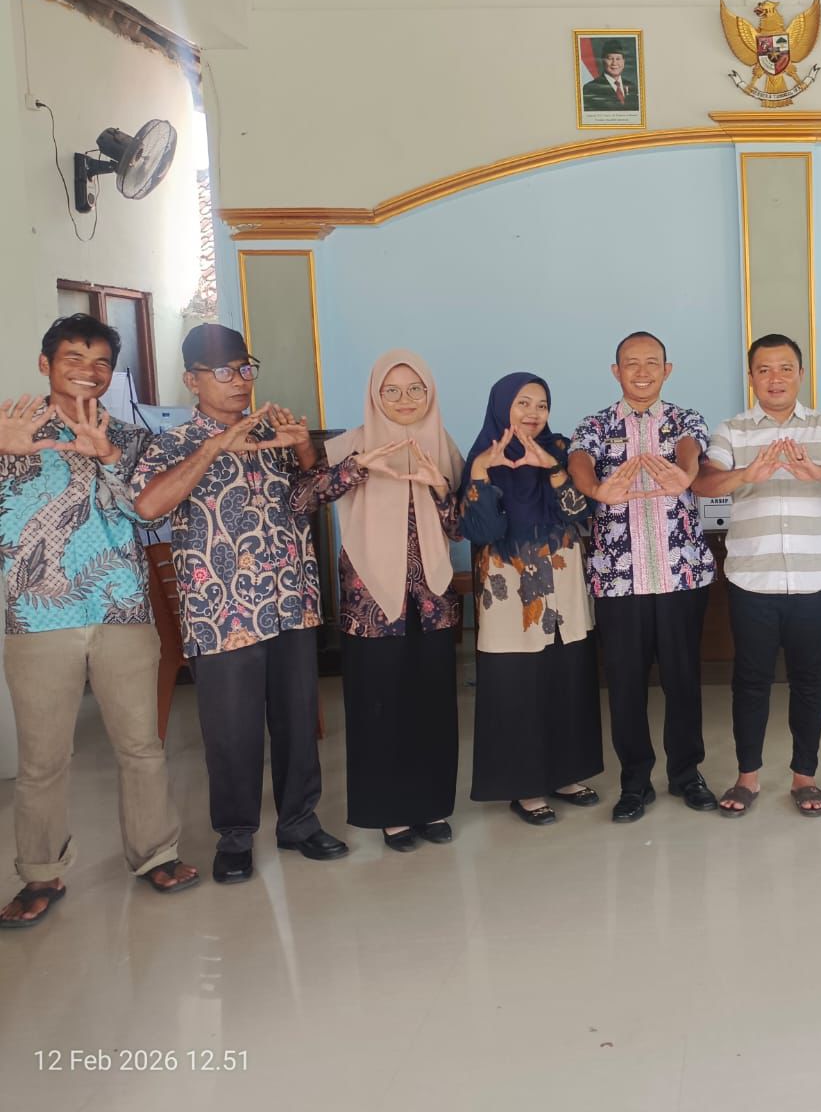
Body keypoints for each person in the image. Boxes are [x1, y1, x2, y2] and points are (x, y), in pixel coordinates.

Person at [132, 324, 350, 884]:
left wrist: (302, 447)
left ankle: (299, 822)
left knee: (298, 720)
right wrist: (213, 448)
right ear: (192, 380)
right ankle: (234, 836)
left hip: (291, 601)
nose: (239, 381)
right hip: (223, 610)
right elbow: (149, 506)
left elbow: (314, 497)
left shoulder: (272, 434)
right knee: (231, 732)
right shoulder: (174, 442)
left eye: (246, 368)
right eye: (224, 371)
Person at [0, 315, 197, 927]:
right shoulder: (11, 430)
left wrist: (109, 457)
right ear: (45, 364)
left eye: (100, 363)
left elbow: (148, 515)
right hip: (36, 615)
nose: (88, 372)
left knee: (141, 746)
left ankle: (155, 854)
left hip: (123, 609)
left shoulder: (131, 438)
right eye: (73, 358)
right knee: (42, 759)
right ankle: (40, 874)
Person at [694, 333, 821, 817]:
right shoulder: (732, 431)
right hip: (753, 579)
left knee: (810, 681)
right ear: (751, 377)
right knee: (750, 681)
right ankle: (747, 777)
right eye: (765, 369)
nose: (776, 378)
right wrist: (745, 475)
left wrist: (819, 473)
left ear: (801, 374)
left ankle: (804, 778)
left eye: (785, 368)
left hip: (814, 580)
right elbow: (704, 483)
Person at [569, 332, 717, 822]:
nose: (642, 371)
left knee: (683, 680)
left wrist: (685, 472)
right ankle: (634, 782)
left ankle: (686, 773)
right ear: (616, 371)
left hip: (680, 576)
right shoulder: (594, 425)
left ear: (666, 370)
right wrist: (596, 489)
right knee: (625, 685)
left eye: (652, 362)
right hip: (619, 581)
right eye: (631, 363)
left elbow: (692, 447)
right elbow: (579, 460)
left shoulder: (685, 419)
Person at [321, 351, 464, 852]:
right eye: (393, 391)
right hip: (371, 605)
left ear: (430, 393)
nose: (406, 400)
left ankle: (431, 805)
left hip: (432, 602)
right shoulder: (350, 445)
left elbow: (460, 528)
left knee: (433, 706)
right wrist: (359, 467)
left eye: (416, 389)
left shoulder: (444, 446)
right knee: (379, 708)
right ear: (375, 395)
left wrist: (439, 487)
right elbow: (305, 497)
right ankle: (390, 813)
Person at [460, 373, 604, 826]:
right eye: (523, 403)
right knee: (517, 685)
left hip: (563, 585)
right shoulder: (481, 457)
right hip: (509, 591)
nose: (533, 413)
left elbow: (582, 512)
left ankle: (566, 774)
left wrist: (552, 468)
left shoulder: (559, 449)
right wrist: (482, 472)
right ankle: (524, 786)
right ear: (502, 406)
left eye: (541, 405)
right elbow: (483, 531)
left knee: (566, 677)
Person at [582, 41, 640, 112]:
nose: (614, 63)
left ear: (623, 61)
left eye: (618, 59)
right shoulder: (590, 89)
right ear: (603, 61)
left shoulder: (632, 87)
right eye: (610, 58)